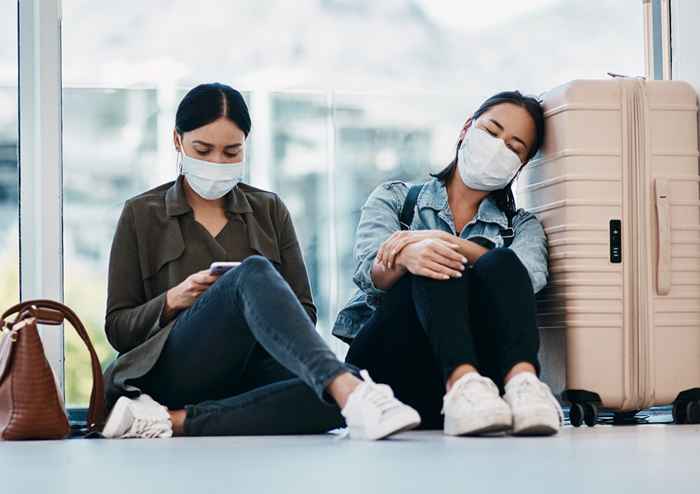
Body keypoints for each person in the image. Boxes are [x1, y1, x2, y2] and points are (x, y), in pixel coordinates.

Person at [101, 83, 420, 440]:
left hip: (248, 372)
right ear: (178, 141)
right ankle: (345, 387)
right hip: (172, 370)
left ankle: (168, 421)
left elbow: (304, 312)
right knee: (252, 273)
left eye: (231, 151)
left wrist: (261, 309)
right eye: (203, 150)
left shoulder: (268, 210)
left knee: (335, 390)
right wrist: (174, 299)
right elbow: (118, 328)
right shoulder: (141, 214)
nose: (217, 162)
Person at [334, 91, 563, 437]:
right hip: (393, 371)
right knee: (431, 259)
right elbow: (370, 272)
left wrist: (446, 241)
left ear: (520, 166)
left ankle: (524, 386)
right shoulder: (396, 199)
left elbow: (527, 277)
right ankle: (461, 383)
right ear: (467, 128)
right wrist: (410, 256)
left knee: (498, 261)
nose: (498, 147)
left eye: (514, 147)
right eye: (492, 131)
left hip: (485, 391)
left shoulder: (522, 226)